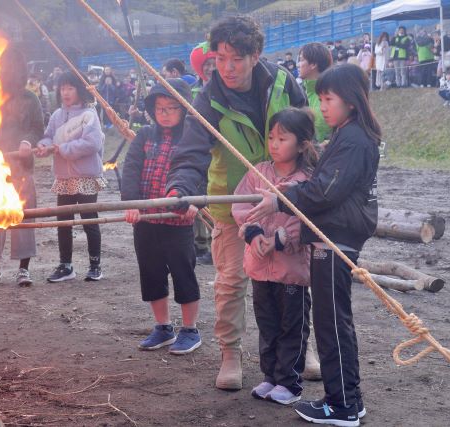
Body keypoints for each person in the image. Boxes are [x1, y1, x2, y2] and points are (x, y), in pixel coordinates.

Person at [166, 15, 306, 391]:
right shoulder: (208, 97)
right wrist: (181, 187)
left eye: (236, 59)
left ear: (255, 55)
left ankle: (298, 352)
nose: (227, 67)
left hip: (286, 200)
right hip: (234, 204)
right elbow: (192, 150)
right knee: (231, 282)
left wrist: (307, 184)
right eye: (221, 57)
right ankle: (230, 353)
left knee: (294, 278)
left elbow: (307, 132)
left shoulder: (282, 83)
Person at [247, 64, 380, 426]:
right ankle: (349, 398)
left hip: (336, 236)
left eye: (328, 99)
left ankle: (342, 406)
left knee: (331, 322)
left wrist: (279, 199)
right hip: (331, 234)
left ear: (350, 100)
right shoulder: (346, 134)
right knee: (332, 320)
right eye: (320, 99)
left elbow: (324, 190)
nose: (322, 106)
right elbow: (325, 184)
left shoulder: (352, 139)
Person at [232, 108, 317, 405]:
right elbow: (240, 206)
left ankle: (290, 382)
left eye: (283, 138)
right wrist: (253, 235)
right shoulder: (258, 172)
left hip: (291, 268)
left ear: (303, 143)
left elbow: (307, 218)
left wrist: (280, 241)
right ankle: (270, 376)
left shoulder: (305, 181)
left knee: (292, 325)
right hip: (259, 267)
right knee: (267, 324)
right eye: (271, 137)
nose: (274, 143)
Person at [121, 78, 202, 355]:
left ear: (184, 109)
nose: (165, 113)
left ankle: (190, 329)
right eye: (160, 108)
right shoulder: (145, 136)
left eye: (172, 108)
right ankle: (163, 327)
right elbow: (131, 169)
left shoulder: (192, 138)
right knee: (152, 274)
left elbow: (201, 172)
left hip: (178, 221)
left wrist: (195, 203)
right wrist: (132, 204)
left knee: (183, 274)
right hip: (146, 221)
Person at [0, 47, 44, 288]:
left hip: (21, 168)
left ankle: (23, 270)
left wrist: (27, 141)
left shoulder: (30, 99)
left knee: (23, 218)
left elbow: (38, 127)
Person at [36, 71, 105, 282]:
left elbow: (93, 144)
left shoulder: (89, 114)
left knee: (89, 221)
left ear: (79, 90)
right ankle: (65, 266)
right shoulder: (57, 115)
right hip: (64, 178)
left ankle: (95, 265)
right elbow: (49, 136)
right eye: (62, 88)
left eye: (70, 88)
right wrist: (43, 146)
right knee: (63, 222)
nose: (65, 93)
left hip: (85, 176)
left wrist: (63, 149)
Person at [189, 41, 217, 265]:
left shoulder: (223, 90)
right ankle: (200, 243)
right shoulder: (194, 92)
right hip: (200, 152)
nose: (210, 67)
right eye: (206, 64)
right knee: (198, 198)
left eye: (213, 62)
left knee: (216, 200)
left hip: (218, 152)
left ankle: (215, 243)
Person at [298, 42, 333, 142]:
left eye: (301, 60)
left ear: (313, 64)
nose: (298, 64)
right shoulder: (299, 91)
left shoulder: (332, 93)